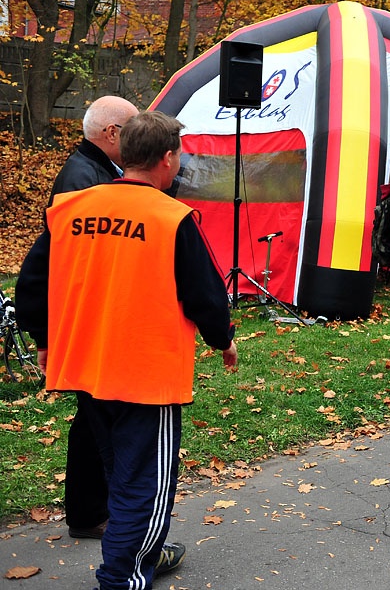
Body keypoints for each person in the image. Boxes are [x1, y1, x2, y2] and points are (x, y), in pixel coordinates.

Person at [16, 111, 237, 590]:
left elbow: (31, 282)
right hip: (145, 373)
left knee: (120, 469)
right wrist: (222, 340)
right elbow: (204, 294)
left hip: (86, 364)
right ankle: (124, 575)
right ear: (168, 158)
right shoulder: (170, 217)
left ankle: (140, 554)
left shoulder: (71, 208)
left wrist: (43, 341)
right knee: (146, 485)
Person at [41, 96, 142, 543]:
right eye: (133, 128)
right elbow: (56, 260)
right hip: (87, 320)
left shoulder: (93, 171)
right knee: (93, 422)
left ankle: (92, 509)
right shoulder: (83, 181)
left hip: (90, 319)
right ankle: (88, 513)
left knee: (94, 418)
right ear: (112, 133)